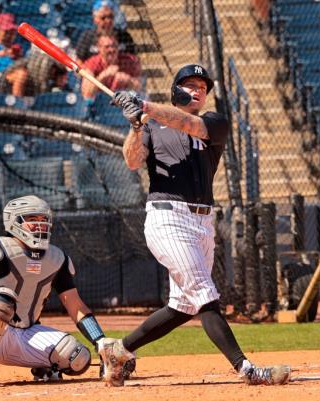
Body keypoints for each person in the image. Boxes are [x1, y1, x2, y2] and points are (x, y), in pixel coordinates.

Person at [99, 65, 292, 387]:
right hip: (168, 217)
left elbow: (186, 123)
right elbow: (133, 161)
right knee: (205, 296)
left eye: (202, 86)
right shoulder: (150, 126)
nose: (198, 90)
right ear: (175, 89)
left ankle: (119, 350)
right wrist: (135, 124)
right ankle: (247, 369)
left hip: (203, 222)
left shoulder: (214, 123)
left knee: (183, 306)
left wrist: (143, 105)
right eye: (190, 85)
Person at [0, 195, 117, 387]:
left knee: (78, 358)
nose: (40, 225)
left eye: (44, 220)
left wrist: (100, 341)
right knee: (0, 301)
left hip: (24, 331)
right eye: (33, 220)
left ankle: (43, 367)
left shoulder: (57, 259)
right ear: (14, 221)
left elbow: (75, 305)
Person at [81, 33, 142, 100]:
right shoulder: (92, 63)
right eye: (107, 47)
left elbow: (141, 89)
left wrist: (129, 80)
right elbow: (87, 94)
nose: (111, 50)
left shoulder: (130, 60)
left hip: (123, 102)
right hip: (99, 102)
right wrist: (103, 76)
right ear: (99, 48)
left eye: (114, 46)